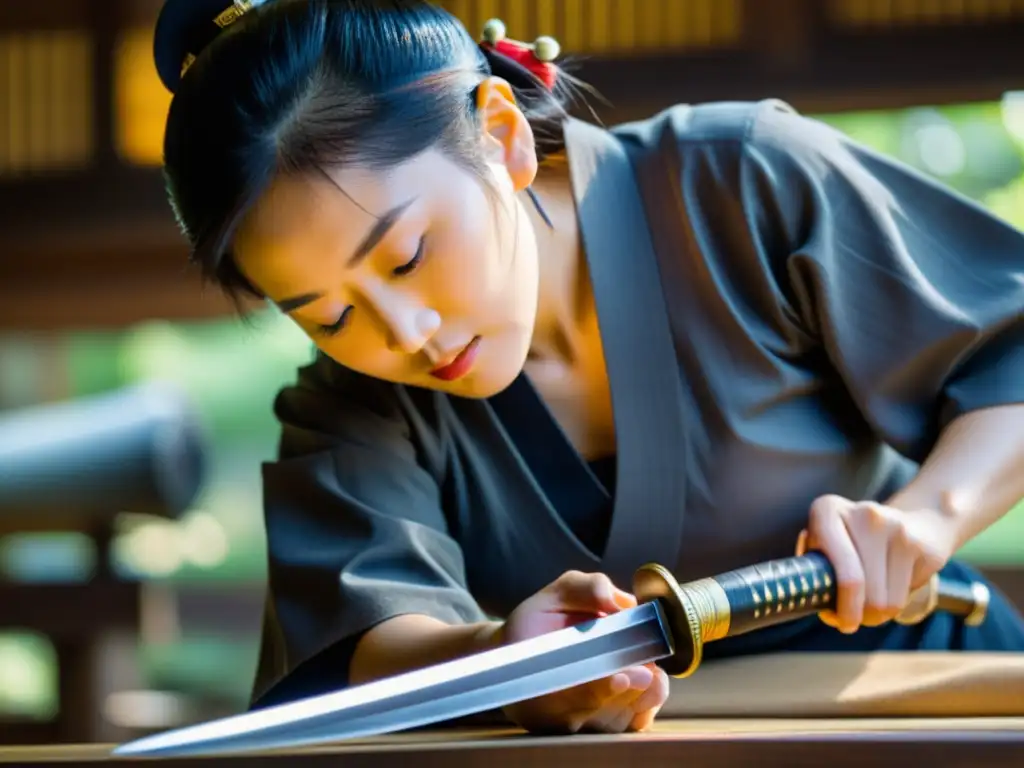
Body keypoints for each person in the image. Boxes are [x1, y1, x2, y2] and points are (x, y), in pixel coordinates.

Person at [153, 0, 1024, 735]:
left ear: (499, 137)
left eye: (410, 254)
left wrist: (927, 518)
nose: (404, 332)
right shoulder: (352, 405)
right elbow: (356, 652)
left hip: (930, 706)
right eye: (329, 315)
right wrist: (502, 657)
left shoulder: (739, 180)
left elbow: (1009, 347)